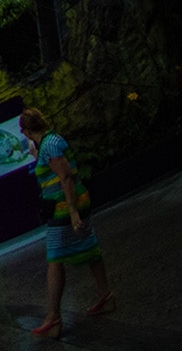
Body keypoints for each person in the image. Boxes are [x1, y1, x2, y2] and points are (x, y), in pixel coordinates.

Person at [18, 108, 113, 338]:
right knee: (90, 247)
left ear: (28, 131)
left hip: (63, 207)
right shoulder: (50, 142)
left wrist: (72, 212)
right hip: (76, 201)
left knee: (54, 259)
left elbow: (65, 176)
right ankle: (105, 296)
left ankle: (53, 316)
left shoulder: (49, 145)